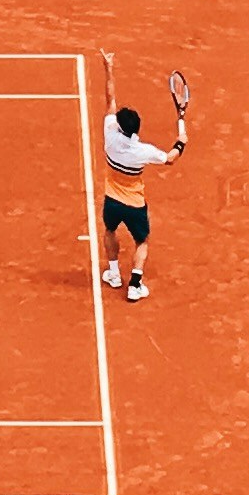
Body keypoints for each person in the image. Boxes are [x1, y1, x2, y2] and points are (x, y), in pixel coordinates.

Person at [100, 49, 186, 304]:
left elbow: (110, 98)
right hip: (135, 204)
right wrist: (181, 143)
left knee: (109, 230)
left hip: (112, 200)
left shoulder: (109, 134)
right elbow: (170, 159)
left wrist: (109, 68)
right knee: (142, 241)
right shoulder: (143, 151)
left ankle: (114, 274)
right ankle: (135, 284)